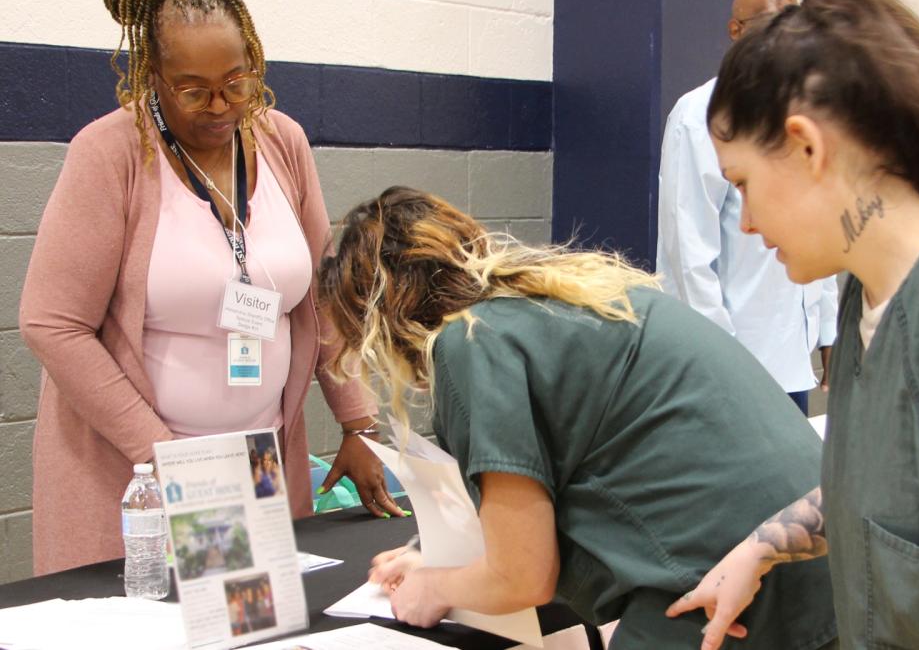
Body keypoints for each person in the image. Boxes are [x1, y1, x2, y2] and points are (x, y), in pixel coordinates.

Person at [19, 0, 403, 576]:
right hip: (143, 467)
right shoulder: (109, 152)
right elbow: (51, 324)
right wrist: (167, 460)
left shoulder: (282, 141)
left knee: (255, 628)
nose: (221, 106)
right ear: (152, 77)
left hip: (258, 462)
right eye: (192, 89)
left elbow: (321, 295)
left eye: (236, 81)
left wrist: (358, 423)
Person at [318, 186, 838, 649]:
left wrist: (432, 589)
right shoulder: (583, 295)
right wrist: (435, 562)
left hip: (721, 591)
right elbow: (522, 516)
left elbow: (521, 575)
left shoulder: (473, 341)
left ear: (381, 317)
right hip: (817, 557)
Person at [666, 0, 919, 650]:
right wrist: (758, 550)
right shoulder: (864, 293)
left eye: (745, 186)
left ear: (808, 147)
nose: (749, 223)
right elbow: (896, 500)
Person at [656, 0, 838, 413]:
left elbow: (821, 224)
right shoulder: (699, 114)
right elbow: (688, 253)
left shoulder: (805, 113)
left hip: (793, 356)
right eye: (773, 21)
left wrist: (828, 331)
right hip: (735, 361)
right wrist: (723, 361)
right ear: (735, 30)